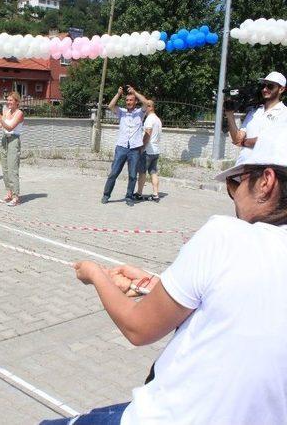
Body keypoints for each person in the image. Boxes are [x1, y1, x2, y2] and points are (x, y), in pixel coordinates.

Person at [42, 127, 287, 425]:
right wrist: (157, 285)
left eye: (237, 183)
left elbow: (138, 328)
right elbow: (248, 301)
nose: (233, 196)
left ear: (266, 182)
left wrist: (95, 275)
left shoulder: (226, 236)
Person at [101, 85, 149, 207]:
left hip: (134, 149)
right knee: (114, 173)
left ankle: (129, 197)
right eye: (127, 100)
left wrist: (135, 92)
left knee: (133, 175)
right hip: (121, 147)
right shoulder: (121, 112)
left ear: (135, 101)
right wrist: (118, 94)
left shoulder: (140, 113)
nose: (128, 102)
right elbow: (110, 106)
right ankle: (106, 195)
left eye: (131, 100)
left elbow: (146, 103)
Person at [225, 71, 287, 157]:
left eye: (270, 86)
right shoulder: (254, 111)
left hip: (266, 167)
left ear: (281, 89)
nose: (265, 89)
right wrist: (229, 114)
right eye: (263, 86)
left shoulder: (284, 113)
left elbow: (270, 141)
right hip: (244, 165)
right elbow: (237, 139)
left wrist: (243, 142)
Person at [0, 92, 24, 207]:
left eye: (11, 100)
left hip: (14, 140)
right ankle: (9, 193)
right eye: (8, 100)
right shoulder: (6, 112)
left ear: (17, 102)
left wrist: (0, 118)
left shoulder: (19, 113)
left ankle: (16, 197)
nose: (8, 102)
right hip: (4, 140)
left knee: (12, 169)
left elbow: (10, 127)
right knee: (5, 168)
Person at [135, 100, 162, 201]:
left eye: (145, 106)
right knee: (153, 172)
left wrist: (142, 147)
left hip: (148, 150)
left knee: (142, 172)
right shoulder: (158, 119)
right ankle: (155, 194)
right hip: (156, 150)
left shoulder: (150, 119)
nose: (144, 109)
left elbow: (148, 133)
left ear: (150, 107)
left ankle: (139, 193)